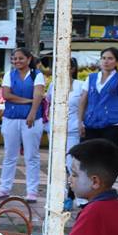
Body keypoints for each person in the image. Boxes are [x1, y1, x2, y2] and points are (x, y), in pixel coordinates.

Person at [0, 48, 46, 203]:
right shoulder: (9, 75)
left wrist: (32, 112)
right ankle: (4, 187)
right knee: (9, 155)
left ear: (29, 59)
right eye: (14, 59)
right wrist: (28, 101)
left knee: (32, 156)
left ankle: (32, 191)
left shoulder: (37, 75)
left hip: (32, 120)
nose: (17, 61)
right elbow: (6, 95)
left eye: (20, 58)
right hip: (11, 118)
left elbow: (38, 94)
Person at [45, 58, 86, 210]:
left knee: (72, 165)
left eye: (67, 67)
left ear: (73, 69)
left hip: (73, 131)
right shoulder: (53, 85)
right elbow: (49, 103)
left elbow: (84, 107)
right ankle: (60, 198)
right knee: (57, 166)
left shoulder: (80, 86)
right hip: (55, 131)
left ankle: (76, 197)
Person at [78, 47, 118, 147]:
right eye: (103, 58)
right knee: (87, 159)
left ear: (117, 62)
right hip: (90, 125)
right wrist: (80, 122)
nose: (106, 61)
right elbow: (83, 100)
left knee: (106, 159)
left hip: (111, 127)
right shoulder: (91, 77)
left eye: (110, 58)